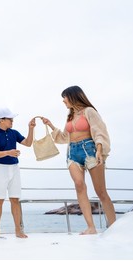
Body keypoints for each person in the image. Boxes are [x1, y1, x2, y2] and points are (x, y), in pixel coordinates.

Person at [41, 85, 116, 234]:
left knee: (101, 191)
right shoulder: (70, 116)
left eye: (65, 97)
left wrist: (99, 150)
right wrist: (50, 125)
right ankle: (91, 227)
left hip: (90, 151)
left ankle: (114, 227)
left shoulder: (89, 111)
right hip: (72, 153)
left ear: (74, 96)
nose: (63, 101)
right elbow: (64, 137)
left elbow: (99, 131)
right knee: (79, 185)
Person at [0, 108, 35, 238]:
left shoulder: (14, 133)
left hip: (14, 168)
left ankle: (18, 230)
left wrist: (31, 129)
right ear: (1, 120)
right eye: (10, 119)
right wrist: (8, 152)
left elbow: (28, 143)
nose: (12, 121)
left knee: (15, 199)